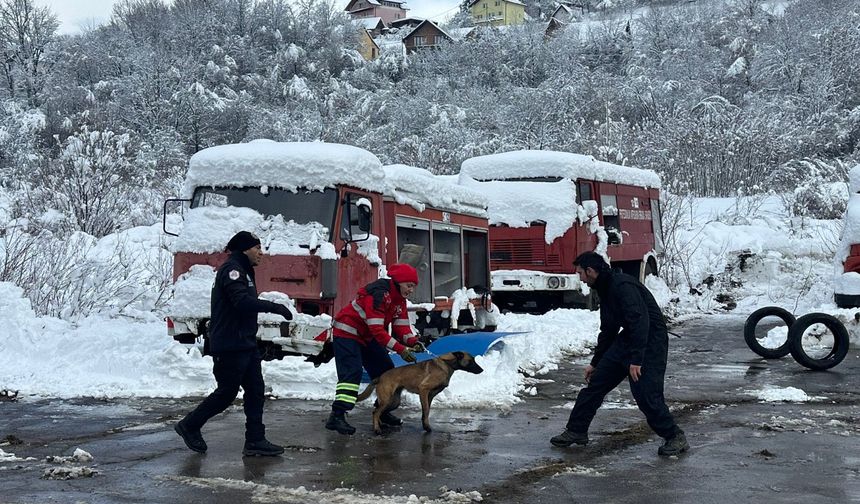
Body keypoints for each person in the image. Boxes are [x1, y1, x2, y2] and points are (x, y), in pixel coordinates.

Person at [550, 251, 689, 456]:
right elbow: (608, 329)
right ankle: (576, 431)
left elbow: (640, 322)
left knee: (645, 394)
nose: (579, 278)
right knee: (596, 383)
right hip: (628, 339)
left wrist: (636, 359)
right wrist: (596, 362)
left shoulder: (622, 286)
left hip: (650, 340)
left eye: (580, 273)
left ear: (590, 271)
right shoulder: (604, 288)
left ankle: (674, 436)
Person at [174, 231, 294, 457]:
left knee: (256, 391)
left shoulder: (244, 271)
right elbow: (240, 301)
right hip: (230, 344)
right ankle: (190, 425)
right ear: (244, 249)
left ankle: (255, 440)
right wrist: (274, 307)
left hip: (244, 343)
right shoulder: (232, 270)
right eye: (257, 247)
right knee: (227, 392)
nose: (261, 252)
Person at [325, 263, 423, 435]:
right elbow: (377, 330)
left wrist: (413, 341)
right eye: (409, 286)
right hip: (347, 333)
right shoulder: (378, 294)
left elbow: (402, 328)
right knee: (351, 374)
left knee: (386, 370)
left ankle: (382, 412)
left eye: (414, 287)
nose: (411, 290)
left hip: (366, 336)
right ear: (398, 282)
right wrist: (401, 349)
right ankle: (337, 416)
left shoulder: (399, 300)